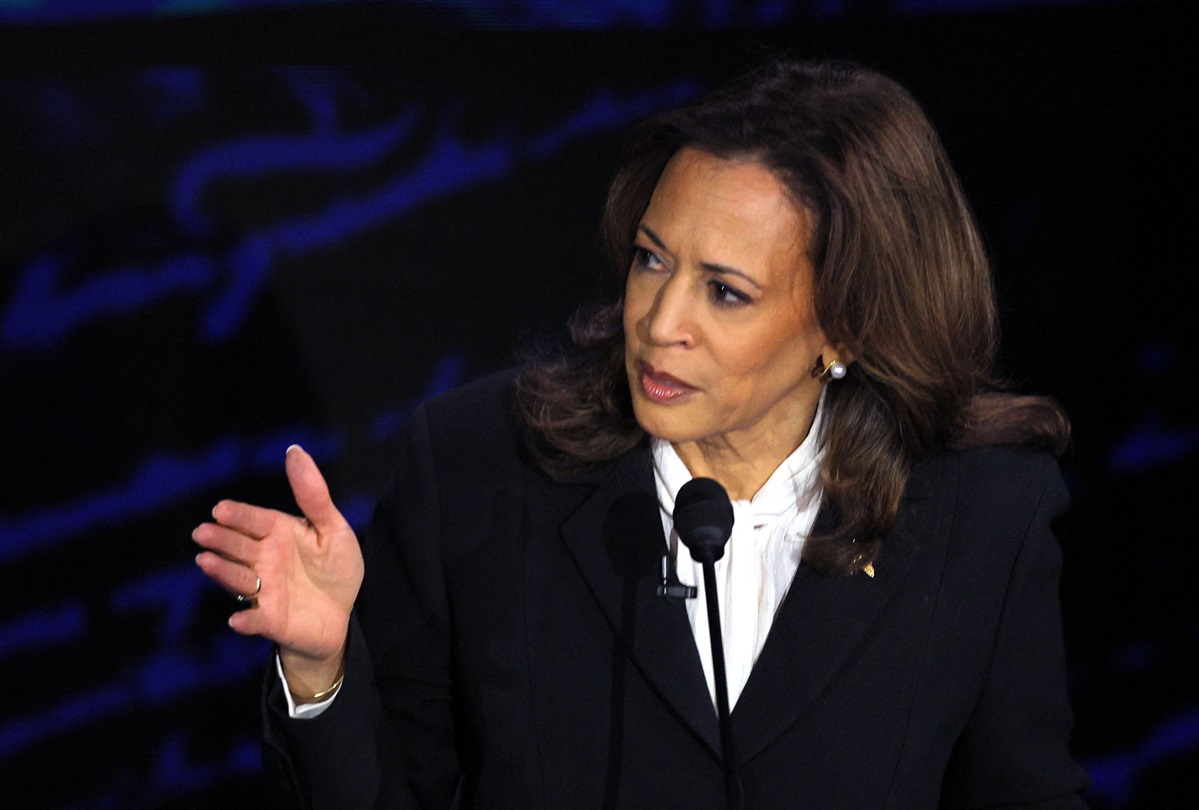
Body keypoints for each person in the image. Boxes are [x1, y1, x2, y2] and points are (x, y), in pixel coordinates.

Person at [193, 59, 1088, 808]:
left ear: (845, 325)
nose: (660, 323)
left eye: (725, 291)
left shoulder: (983, 516)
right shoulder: (481, 468)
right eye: (652, 260)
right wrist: (322, 674)